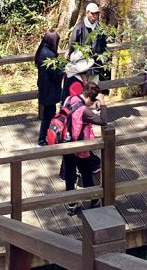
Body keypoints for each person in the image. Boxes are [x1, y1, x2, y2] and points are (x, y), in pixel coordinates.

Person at [62, 82, 108, 216]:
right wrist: (103, 103)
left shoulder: (70, 99)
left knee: (70, 176)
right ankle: (94, 201)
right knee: (87, 175)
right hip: (81, 147)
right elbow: (103, 120)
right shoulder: (85, 111)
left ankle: (71, 205)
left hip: (66, 143)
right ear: (89, 98)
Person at [68, 1, 110, 89]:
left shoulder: (99, 28)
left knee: (94, 90)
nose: (95, 16)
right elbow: (72, 45)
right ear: (87, 13)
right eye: (93, 14)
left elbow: (103, 46)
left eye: (97, 14)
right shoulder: (79, 27)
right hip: (81, 66)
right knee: (82, 91)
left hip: (95, 66)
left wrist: (103, 59)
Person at [35, 29, 63, 146]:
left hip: (44, 87)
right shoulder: (50, 55)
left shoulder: (41, 50)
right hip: (50, 89)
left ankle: (47, 137)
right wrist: (63, 66)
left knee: (48, 113)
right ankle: (43, 139)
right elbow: (56, 75)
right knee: (48, 115)